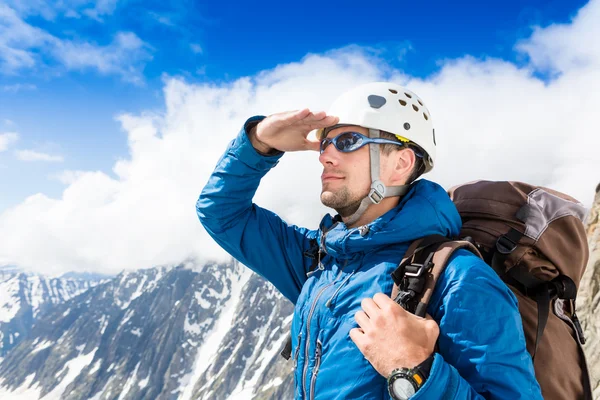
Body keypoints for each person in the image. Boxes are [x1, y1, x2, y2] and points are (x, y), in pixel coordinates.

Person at [196, 82, 543, 399]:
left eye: (347, 142)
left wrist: (416, 371)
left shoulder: (458, 280)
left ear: (400, 164)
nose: (325, 155)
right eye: (326, 142)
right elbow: (221, 213)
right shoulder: (322, 260)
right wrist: (259, 141)